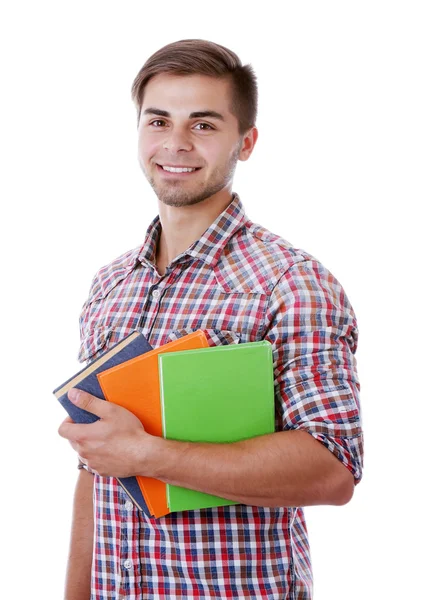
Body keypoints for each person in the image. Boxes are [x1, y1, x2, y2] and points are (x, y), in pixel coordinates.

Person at [58, 39, 363, 600]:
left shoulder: (291, 283)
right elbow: (96, 465)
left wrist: (147, 454)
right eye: (158, 121)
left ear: (245, 142)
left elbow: (332, 469)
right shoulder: (110, 286)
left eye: (203, 125)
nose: (175, 144)